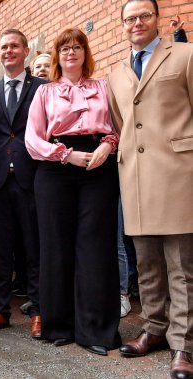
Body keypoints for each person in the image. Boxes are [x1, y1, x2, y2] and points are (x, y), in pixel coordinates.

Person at [107, 1, 193, 376]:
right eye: (129, 18)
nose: (136, 23)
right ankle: (154, 329)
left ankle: (183, 345)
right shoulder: (117, 73)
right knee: (147, 263)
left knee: (181, 266)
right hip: (136, 179)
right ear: (122, 25)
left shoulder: (186, 56)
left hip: (178, 173)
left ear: (157, 19)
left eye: (143, 15)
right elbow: (121, 121)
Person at [25, 27, 121, 356]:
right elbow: (33, 139)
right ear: (57, 56)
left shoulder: (103, 88)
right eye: (64, 48)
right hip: (56, 168)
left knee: (95, 247)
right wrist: (65, 154)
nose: (71, 53)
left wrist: (107, 147)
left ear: (85, 53)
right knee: (56, 245)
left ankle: (95, 328)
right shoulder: (45, 92)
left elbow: (116, 127)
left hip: (98, 166)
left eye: (77, 47)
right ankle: (59, 325)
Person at [0, 29, 46, 339]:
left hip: (33, 179)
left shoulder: (43, 88)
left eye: (14, 46)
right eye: (4, 47)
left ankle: (39, 310)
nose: (8, 51)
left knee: (34, 247)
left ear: (26, 51)